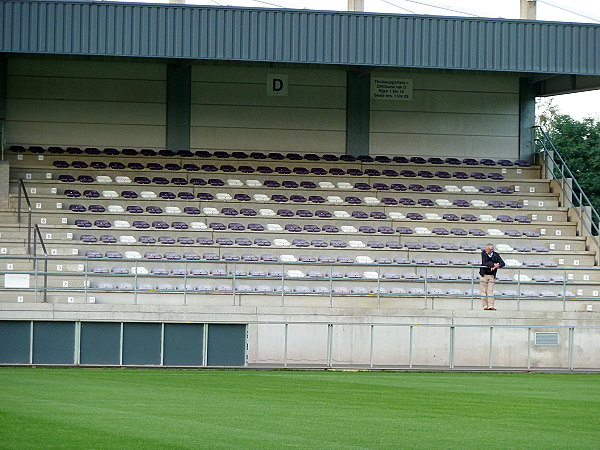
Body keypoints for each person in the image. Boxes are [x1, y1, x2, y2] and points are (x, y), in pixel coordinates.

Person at [479, 243, 505, 310]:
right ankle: (485, 306)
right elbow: (484, 262)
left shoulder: (496, 255)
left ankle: (491, 306)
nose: (486, 250)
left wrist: (497, 265)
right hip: (484, 274)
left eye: (487, 249)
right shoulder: (483, 253)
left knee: (490, 291)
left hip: (492, 275)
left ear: (491, 249)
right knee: (483, 291)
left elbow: (502, 263)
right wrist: (493, 264)